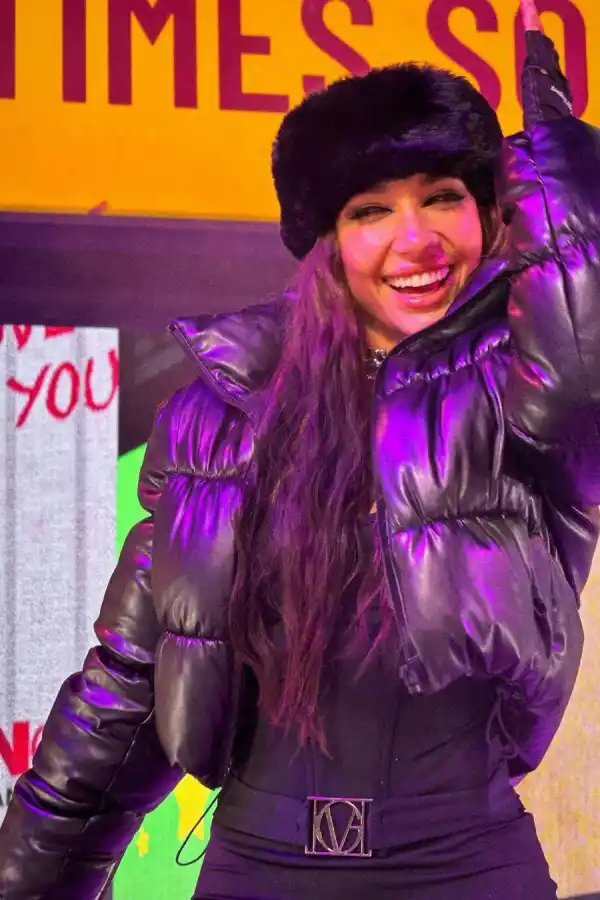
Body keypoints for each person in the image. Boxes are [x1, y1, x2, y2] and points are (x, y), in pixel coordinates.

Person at [0, 1, 598, 897]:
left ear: (492, 215)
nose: (415, 237)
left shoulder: (523, 397)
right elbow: (130, 680)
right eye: (371, 211)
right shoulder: (221, 411)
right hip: (254, 868)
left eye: (443, 196)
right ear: (327, 242)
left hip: (468, 867)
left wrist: (568, 181)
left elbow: (584, 352)